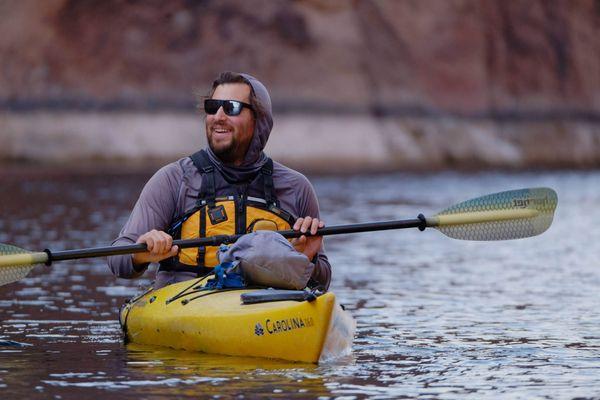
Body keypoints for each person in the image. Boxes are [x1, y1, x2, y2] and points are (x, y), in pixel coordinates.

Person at [108, 72, 331, 290]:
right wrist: (141, 252)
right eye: (212, 107)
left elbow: (322, 281)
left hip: (265, 307)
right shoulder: (173, 180)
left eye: (231, 107)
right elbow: (118, 260)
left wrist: (307, 258)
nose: (218, 116)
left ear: (259, 121)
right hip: (186, 305)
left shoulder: (296, 187)